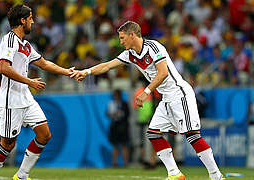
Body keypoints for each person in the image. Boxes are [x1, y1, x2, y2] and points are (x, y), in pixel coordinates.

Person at [71, 21, 226, 180]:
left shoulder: (154, 47)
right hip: (166, 98)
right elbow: (107, 66)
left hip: (180, 94)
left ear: (132, 35)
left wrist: (146, 92)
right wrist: (87, 71)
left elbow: (163, 72)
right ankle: (174, 174)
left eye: (122, 38)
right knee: (153, 133)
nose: (121, 42)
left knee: (192, 136)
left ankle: (216, 176)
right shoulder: (129, 54)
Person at [0, 4, 75, 180]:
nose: (33, 21)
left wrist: (68, 72)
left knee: (44, 134)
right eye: (30, 18)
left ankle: (22, 175)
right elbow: (3, 67)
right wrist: (29, 81)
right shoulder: (9, 40)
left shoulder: (26, 45)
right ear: (22, 20)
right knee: (7, 144)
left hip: (26, 98)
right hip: (11, 100)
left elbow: (45, 64)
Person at [107, 89, 130, 167]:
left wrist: (120, 113)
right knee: (115, 145)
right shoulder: (111, 103)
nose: (116, 96)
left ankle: (125, 163)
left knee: (124, 145)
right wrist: (113, 114)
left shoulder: (124, 103)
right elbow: (107, 114)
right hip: (114, 125)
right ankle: (114, 162)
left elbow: (127, 114)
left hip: (123, 126)